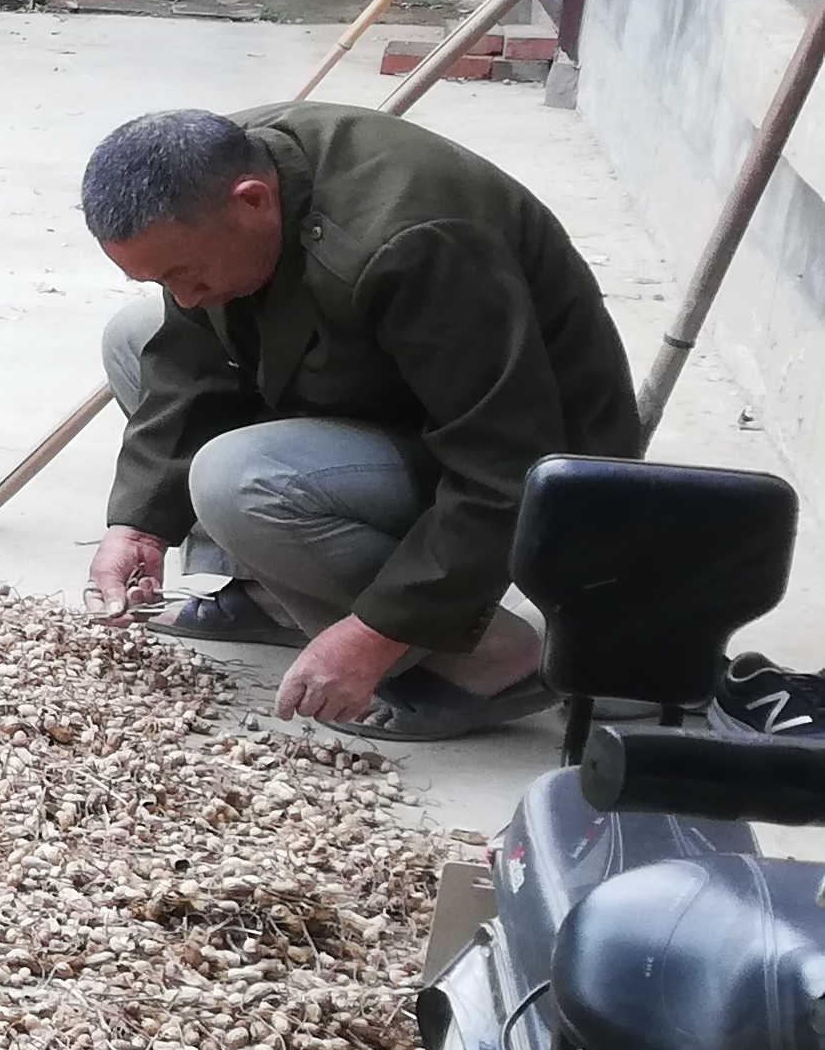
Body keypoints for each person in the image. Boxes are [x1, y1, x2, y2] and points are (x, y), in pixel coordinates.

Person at [80, 103, 639, 741]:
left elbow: (507, 467)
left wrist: (376, 634)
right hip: (386, 392)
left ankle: (486, 660)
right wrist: (139, 525)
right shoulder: (211, 174)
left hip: (532, 457)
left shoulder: (418, 239)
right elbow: (191, 360)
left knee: (240, 479)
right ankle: (276, 596)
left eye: (181, 271)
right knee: (135, 336)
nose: (182, 295)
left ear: (253, 200)